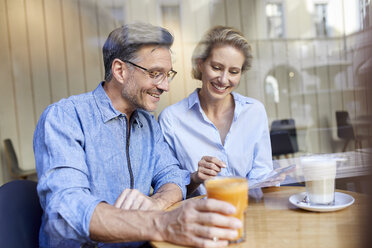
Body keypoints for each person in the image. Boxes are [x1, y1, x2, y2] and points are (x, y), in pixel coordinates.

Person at [33, 23, 242, 248]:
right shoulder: (66, 117)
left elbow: (172, 177)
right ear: (120, 70)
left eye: (167, 75)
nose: (164, 86)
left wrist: (156, 203)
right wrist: (161, 223)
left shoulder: (147, 123)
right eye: (154, 74)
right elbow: (67, 211)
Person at [159, 26, 273, 196]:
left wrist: (276, 179)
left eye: (234, 72)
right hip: (199, 219)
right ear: (201, 64)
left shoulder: (254, 112)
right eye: (217, 67)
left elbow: (261, 178)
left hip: (250, 215)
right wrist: (195, 177)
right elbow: (166, 185)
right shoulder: (172, 119)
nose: (223, 79)